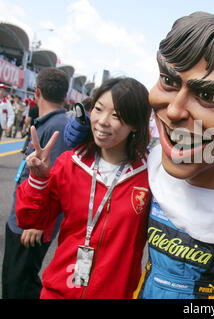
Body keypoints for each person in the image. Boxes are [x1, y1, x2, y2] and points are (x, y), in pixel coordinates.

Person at [64, 11, 214, 299]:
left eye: (208, 96)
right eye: (168, 80)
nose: (176, 110)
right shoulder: (150, 165)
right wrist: (85, 136)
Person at [15, 77, 151, 298]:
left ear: (135, 123)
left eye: (116, 115)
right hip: (58, 291)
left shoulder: (149, 173)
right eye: (98, 109)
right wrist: (38, 180)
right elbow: (31, 220)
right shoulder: (70, 162)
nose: (102, 121)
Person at [2, 68, 71, 299]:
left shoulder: (57, 127)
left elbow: (58, 182)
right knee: (13, 281)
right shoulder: (51, 123)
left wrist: (37, 224)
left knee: (20, 286)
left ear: (37, 91)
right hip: (24, 218)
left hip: (31, 225)